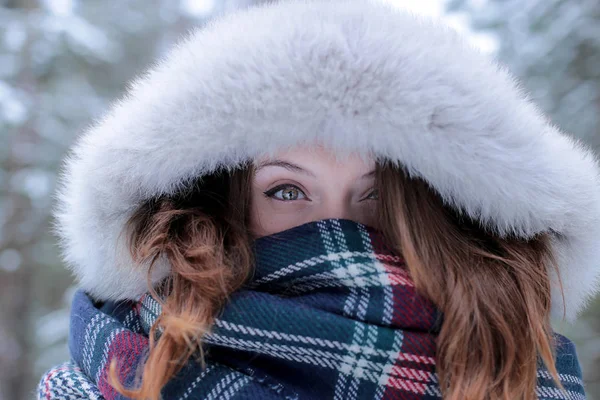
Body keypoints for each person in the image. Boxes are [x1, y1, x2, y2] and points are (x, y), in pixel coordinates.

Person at [38, 0, 598, 399]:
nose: (336, 226)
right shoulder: (103, 384)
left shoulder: (521, 377)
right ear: (215, 209)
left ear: (437, 216)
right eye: (287, 190)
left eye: (375, 195)